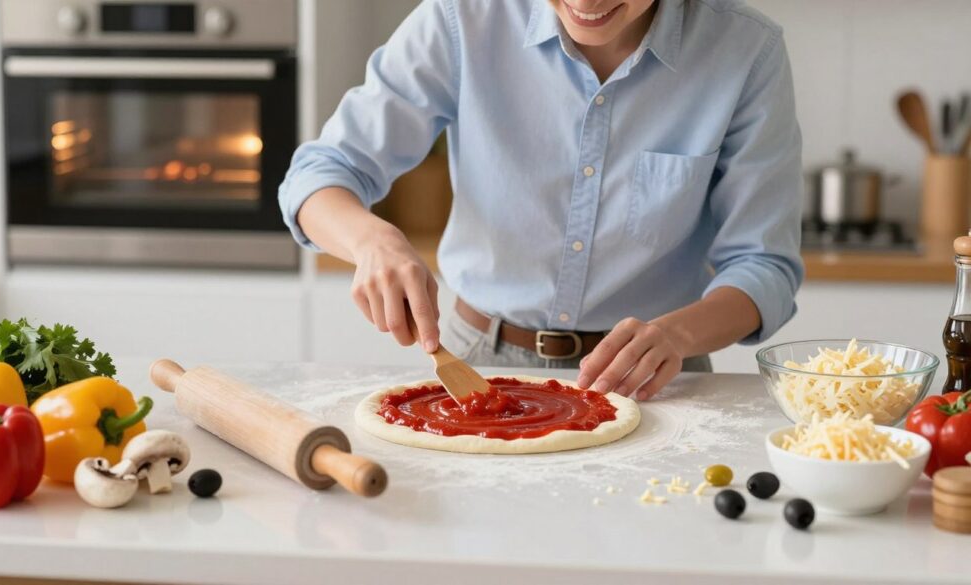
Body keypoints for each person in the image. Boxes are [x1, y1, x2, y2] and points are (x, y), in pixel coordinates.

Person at [279, 0, 803, 400]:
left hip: (657, 377)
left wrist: (677, 334)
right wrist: (373, 241)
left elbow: (764, 266)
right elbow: (320, 175)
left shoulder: (745, 50)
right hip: (474, 360)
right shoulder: (462, 18)